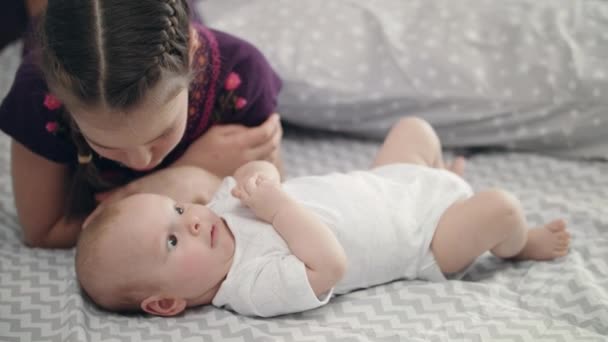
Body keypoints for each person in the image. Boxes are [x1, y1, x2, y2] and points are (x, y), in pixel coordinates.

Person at [75, 117, 571, 318]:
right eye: (171, 243)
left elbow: (259, 171)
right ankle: (519, 243)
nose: (192, 223)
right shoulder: (249, 287)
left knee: (414, 128)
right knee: (500, 209)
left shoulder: (222, 208)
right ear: (166, 303)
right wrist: (277, 206)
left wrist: (257, 173)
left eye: (179, 210)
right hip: (424, 239)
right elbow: (328, 266)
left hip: (387, 183)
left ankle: (440, 177)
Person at [0, 0, 283, 248]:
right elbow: (43, 232)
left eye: (162, 134)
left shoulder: (242, 75)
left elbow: (276, 192)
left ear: (191, 52)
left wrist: (195, 178)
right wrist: (184, 174)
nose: (141, 161)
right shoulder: (39, 94)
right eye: (103, 144)